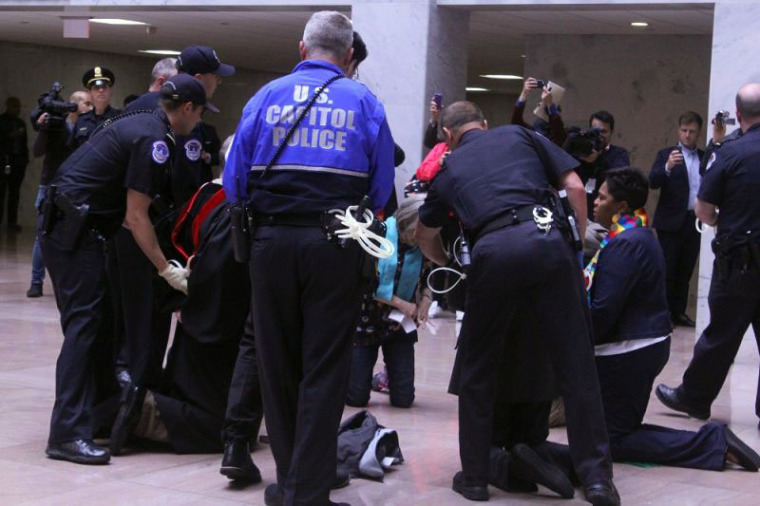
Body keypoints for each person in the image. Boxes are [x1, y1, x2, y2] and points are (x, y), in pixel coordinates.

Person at [223, 11, 395, 505]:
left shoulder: (265, 97)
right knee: (325, 368)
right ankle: (308, 488)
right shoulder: (364, 101)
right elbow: (381, 189)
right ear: (347, 56)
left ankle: (291, 479)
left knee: (276, 366)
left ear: (302, 49)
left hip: (270, 246)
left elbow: (235, 183)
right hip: (336, 247)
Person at [415, 101, 618, 505]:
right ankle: (597, 480)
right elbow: (576, 187)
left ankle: (474, 479)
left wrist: (446, 260)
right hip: (548, 239)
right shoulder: (520, 134)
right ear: (485, 124)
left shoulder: (447, 169)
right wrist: (572, 247)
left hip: (492, 251)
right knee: (577, 366)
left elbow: (424, 234)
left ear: (448, 136)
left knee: (478, 371)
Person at [40, 74, 213, 465]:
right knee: (85, 328)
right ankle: (66, 434)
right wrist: (166, 268)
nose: (199, 121)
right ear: (187, 108)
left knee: (98, 325)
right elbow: (136, 218)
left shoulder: (143, 120)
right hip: (73, 231)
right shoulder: (156, 140)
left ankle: (98, 416)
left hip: (76, 226)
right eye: (200, 112)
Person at [579, 167, 759, 471]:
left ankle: (712, 443)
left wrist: (576, 341)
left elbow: (604, 311)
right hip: (640, 346)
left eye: (602, 197)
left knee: (611, 441)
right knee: (614, 431)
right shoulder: (636, 234)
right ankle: (713, 442)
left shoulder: (625, 243)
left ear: (621, 207)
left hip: (629, 351)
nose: (594, 202)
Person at [657, 83, 760, 427]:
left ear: (739, 114)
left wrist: (717, 220)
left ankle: (694, 398)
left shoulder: (730, 152)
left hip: (740, 262)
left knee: (721, 334)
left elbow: (703, 208)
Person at [346, 194, 432, 409]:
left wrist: (426, 299)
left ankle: (382, 379)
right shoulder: (379, 233)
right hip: (367, 320)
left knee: (404, 400)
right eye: (417, 230)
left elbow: (434, 273)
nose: (421, 236)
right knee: (356, 398)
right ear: (405, 222)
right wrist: (403, 304)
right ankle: (355, 375)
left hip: (399, 325)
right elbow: (365, 284)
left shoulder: (425, 244)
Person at [26, 90, 92, 297]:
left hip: (75, 188)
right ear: (74, 104)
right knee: (42, 236)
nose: (90, 108)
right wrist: (44, 128)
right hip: (50, 187)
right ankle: (36, 281)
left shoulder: (87, 126)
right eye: (87, 103)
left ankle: (68, 282)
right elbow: (37, 151)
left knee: (75, 236)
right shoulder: (57, 123)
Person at [649, 112, 704, 327]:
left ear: (698, 133)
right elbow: (653, 181)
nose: (687, 135)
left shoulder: (704, 156)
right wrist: (668, 167)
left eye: (691, 131)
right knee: (667, 271)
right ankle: (663, 315)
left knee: (685, 270)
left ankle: (678, 312)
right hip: (670, 222)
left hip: (695, 221)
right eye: (684, 130)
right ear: (678, 130)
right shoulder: (666, 154)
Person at [70, 67, 121, 150]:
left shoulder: (121, 117)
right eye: (96, 88)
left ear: (111, 91)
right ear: (90, 93)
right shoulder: (82, 120)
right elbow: (72, 150)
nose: (101, 90)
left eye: (104, 87)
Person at [0, 97, 29, 231]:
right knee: (1, 192)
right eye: (14, 106)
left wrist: (25, 160)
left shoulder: (20, 123)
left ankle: (12, 222)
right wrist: (10, 135)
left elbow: (24, 144)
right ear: (8, 106)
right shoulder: (1, 121)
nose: (17, 109)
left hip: (17, 162)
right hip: (3, 160)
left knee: (14, 193)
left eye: (18, 106)